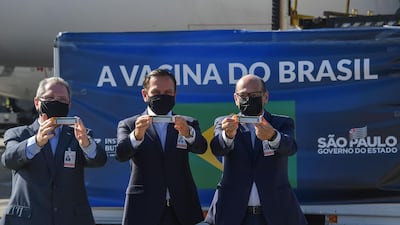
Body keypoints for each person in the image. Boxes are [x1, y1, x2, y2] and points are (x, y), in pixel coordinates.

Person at [0, 77, 107, 225]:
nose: (56, 102)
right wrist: (36, 142)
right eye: (50, 98)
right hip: (27, 220)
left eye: (61, 99)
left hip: (71, 219)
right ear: (37, 103)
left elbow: (100, 159)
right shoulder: (18, 134)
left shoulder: (79, 134)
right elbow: (8, 160)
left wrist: (86, 144)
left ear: (69, 105)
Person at [208, 74, 307, 225]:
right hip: (233, 214)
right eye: (243, 95)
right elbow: (217, 149)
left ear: (266, 97)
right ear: (236, 99)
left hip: (276, 214)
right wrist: (228, 135)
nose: (248, 99)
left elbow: (290, 147)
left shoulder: (281, 123)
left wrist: (273, 136)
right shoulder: (224, 123)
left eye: (254, 95)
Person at [115, 69, 207, 225]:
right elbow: (121, 154)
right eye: (156, 91)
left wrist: (188, 133)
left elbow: (201, 148)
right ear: (145, 95)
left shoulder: (187, 123)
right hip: (143, 208)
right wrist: (137, 135)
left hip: (183, 209)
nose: (162, 96)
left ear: (175, 96)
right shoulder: (130, 124)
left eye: (168, 92)